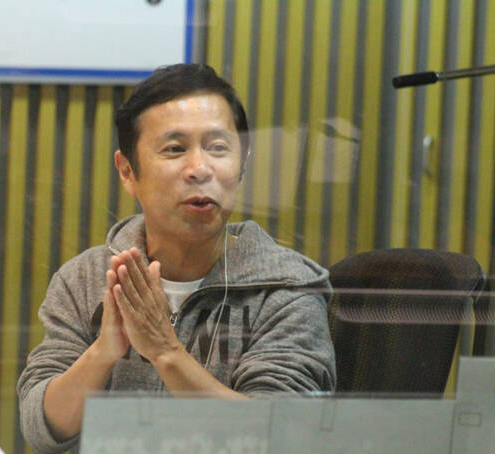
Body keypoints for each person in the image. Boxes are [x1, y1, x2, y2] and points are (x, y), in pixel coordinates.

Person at [17, 63, 336, 454]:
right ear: (127, 171)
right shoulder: (85, 278)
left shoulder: (287, 288)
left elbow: (283, 437)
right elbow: (41, 427)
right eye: (175, 149)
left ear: (242, 166)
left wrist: (165, 352)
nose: (200, 169)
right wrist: (103, 351)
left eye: (218, 148)